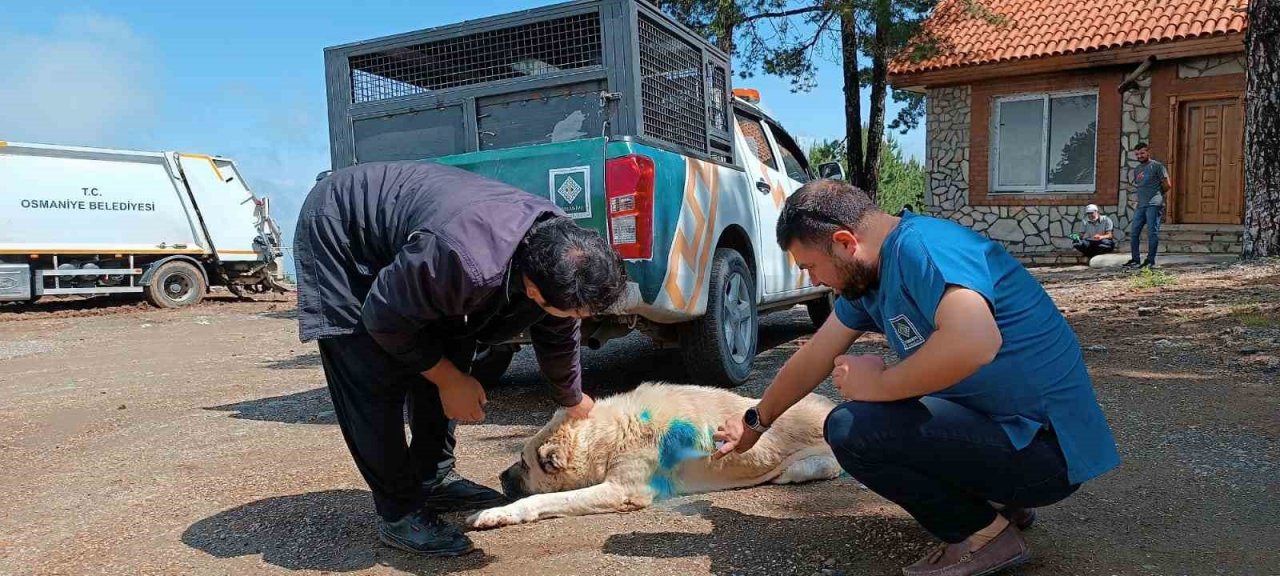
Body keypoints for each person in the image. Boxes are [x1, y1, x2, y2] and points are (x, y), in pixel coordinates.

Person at [713, 179, 1120, 576]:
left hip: (1047, 453)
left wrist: (879, 385)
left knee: (853, 427)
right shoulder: (870, 277)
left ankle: (986, 535)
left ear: (844, 243)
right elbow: (816, 355)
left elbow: (976, 342)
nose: (816, 281)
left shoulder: (922, 247)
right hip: (1013, 438)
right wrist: (757, 420)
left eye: (812, 267)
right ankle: (1000, 502)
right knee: (887, 413)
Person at [293, 161, 626, 557]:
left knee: (452, 345)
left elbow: (556, 331)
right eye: (573, 313)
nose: (578, 322)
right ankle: (400, 513)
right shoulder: (464, 259)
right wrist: (449, 380)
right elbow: (383, 318)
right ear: (534, 290)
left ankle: (433, 478)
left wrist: (571, 396)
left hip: (427, 245)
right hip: (344, 233)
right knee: (371, 372)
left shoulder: (555, 249)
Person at [1124, 143, 1171, 268]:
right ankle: (1135, 259)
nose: (1140, 156)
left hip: (1154, 204)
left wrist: (1158, 195)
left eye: (1142, 153)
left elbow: (1167, 185)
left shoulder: (1157, 166)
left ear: (1148, 152)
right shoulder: (1137, 169)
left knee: (1152, 233)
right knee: (1134, 233)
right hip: (1141, 205)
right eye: (1137, 154)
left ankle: (1150, 260)